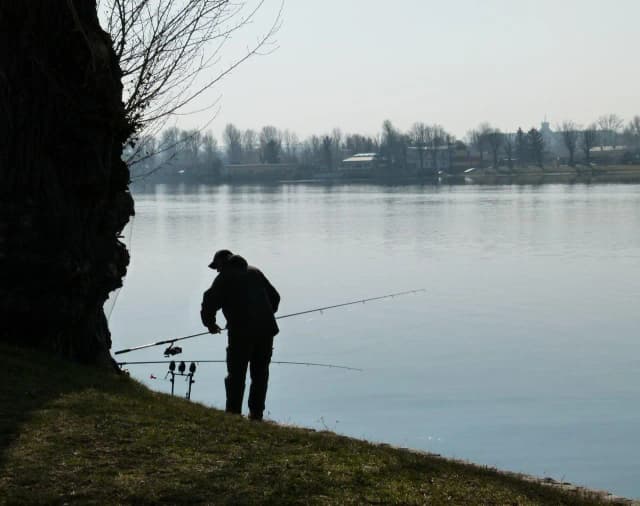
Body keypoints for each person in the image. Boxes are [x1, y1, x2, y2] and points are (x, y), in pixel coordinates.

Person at [200, 250, 280, 420]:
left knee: (236, 374)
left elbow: (209, 301)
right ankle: (256, 414)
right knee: (260, 374)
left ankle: (233, 413)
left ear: (223, 262)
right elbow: (275, 297)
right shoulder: (255, 271)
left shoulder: (225, 277)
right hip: (266, 331)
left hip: (241, 333)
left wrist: (210, 324)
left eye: (217, 267)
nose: (216, 271)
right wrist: (264, 313)